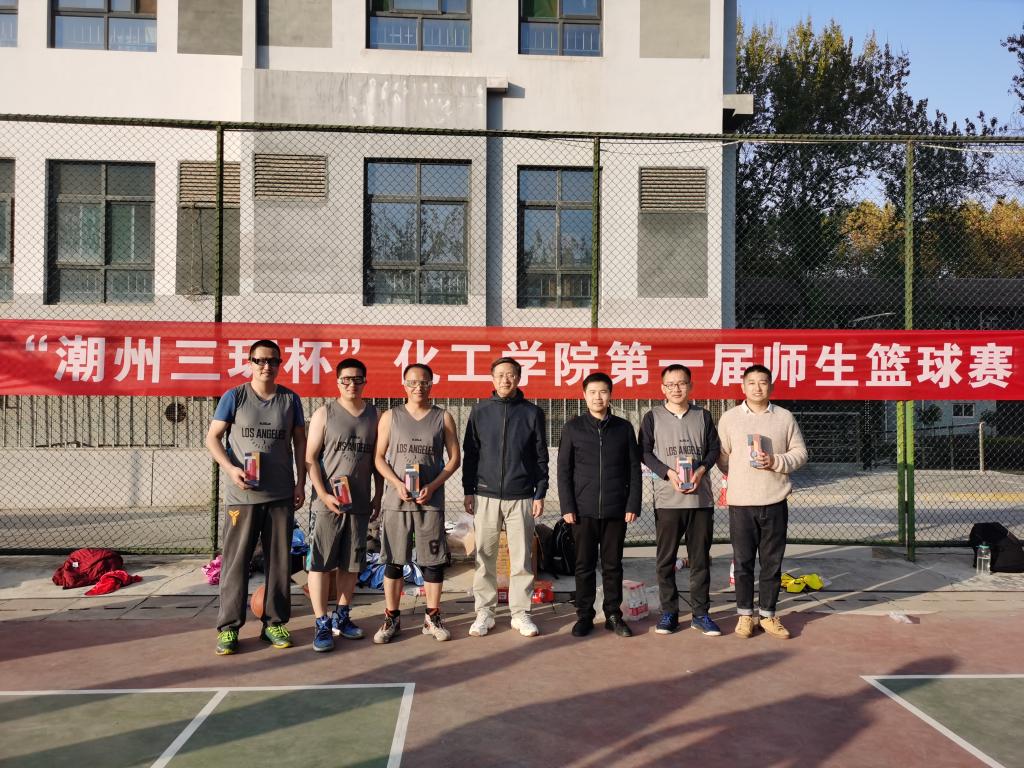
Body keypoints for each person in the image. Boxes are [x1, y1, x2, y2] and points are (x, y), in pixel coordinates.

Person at [205, 340, 306, 655]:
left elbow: (300, 443)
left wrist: (301, 483)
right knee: (236, 562)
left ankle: (274, 623)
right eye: (260, 360)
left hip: (280, 493)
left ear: (280, 364)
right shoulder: (234, 396)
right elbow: (212, 438)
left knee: (279, 563)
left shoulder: (290, 399)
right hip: (243, 495)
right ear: (249, 363)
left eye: (273, 361)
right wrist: (231, 469)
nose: (267, 366)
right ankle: (229, 627)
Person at [717, 364, 808, 640]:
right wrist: (741, 477)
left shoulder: (784, 417)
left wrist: (775, 461)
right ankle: (745, 615)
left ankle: (768, 615)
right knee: (743, 562)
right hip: (741, 503)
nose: (757, 387)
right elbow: (722, 457)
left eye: (763, 382)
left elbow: (800, 453)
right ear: (743, 387)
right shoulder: (729, 418)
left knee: (772, 562)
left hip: (775, 500)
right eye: (752, 382)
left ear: (771, 386)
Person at [373, 363, 461, 644]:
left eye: (424, 382)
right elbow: (379, 458)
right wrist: (396, 483)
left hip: (429, 501)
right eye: (412, 382)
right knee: (394, 561)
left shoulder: (443, 417)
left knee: (433, 562)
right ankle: (391, 617)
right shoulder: (391, 416)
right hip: (397, 501)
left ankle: (432, 617)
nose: (418, 387)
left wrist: (433, 486)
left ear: (431, 384)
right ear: (404, 384)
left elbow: (454, 459)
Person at [463, 357, 549, 638]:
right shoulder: (479, 411)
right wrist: (468, 489)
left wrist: (540, 492)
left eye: (510, 375)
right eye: (500, 375)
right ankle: (484, 612)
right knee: (484, 555)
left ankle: (520, 613)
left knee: (522, 557)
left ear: (519, 378)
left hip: (521, 495)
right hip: (485, 494)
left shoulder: (532, 413)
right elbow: (470, 454)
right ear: (492, 378)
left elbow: (540, 457)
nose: (505, 380)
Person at [304, 358, 382, 653]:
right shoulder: (324, 413)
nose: (352, 384)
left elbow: (377, 460)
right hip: (328, 505)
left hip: (359, 503)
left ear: (365, 382)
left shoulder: (375, 415)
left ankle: (343, 615)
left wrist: (378, 495)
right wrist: (323, 494)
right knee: (321, 563)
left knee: (351, 564)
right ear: (337, 382)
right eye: (346, 379)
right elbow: (310, 458)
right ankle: (321, 621)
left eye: (357, 379)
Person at [557, 372, 641, 638]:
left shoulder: (623, 428)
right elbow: (563, 470)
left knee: (612, 565)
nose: (598, 397)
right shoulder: (573, 428)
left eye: (603, 392)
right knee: (583, 565)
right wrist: (567, 506)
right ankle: (584, 615)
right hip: (582, 510)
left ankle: (613, 615)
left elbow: (634, 469)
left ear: (610, 395)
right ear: (584, 395)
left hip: (616, 509)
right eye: (592, 392)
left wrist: (633, 503)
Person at [640, 364, 721, 636]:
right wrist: (668, 473)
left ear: (690, 386)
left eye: (682, 383)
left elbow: (713, 450)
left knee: (700, 560)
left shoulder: (703, 416)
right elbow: (645, 452)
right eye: (671, 384)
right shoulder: (652, 417)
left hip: (700, 501)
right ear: (662, 388)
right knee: (666, 560)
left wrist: (701, 470)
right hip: (668, 500)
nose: (676, 388)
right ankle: (670, 613)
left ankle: (701, 614)